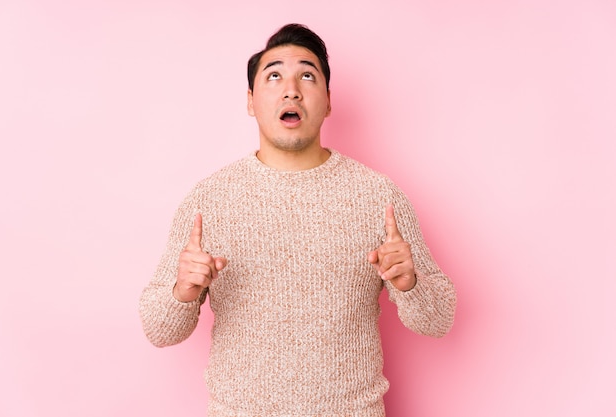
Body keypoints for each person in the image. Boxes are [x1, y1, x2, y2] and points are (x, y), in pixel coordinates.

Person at [139, 23, 456, 417]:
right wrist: (182, 291)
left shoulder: (379, 196)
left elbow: (439, 319)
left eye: (307, 75)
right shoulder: (209, 200)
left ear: (327, 100)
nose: (291, 89)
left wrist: (410, 284)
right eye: (274, 76)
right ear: (251, 100)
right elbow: (158, 329)